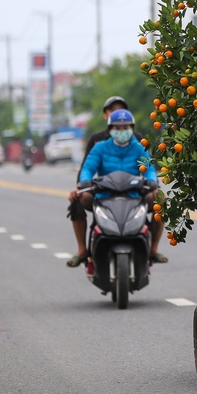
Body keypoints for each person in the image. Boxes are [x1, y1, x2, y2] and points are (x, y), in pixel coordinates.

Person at [67, 108, 161, 276]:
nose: (122, 131)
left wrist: (152, 181)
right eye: (117, 128)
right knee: (77, 201)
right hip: (104, 195)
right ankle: (82, 249)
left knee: (161, 200)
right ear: (110, 130)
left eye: (125, 128)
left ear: (132, 128)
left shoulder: (139, 148)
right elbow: (88, 168)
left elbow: (149, 169)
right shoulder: (100, 148)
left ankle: (153, 249)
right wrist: (85, 181)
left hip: (134, 194)